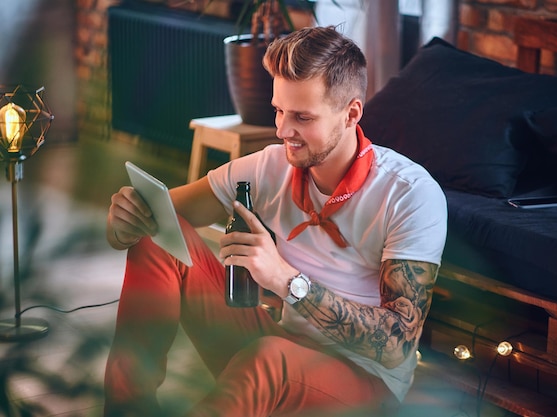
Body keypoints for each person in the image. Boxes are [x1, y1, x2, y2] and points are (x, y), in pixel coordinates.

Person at [103, 26, 447, 417]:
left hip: (364, 385)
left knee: (271, 359)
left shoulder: (409, 194)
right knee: (157, 237)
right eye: (279, 110)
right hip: (281, 346)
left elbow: (396, 345)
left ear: (351, 113)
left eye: (302, 116)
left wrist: (286, 280)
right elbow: (155, 216)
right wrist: (123, 222)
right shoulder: (270, 164)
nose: (283, 130)